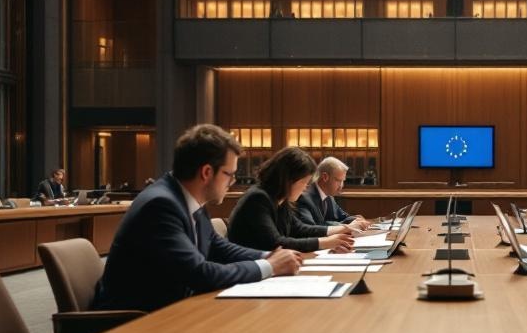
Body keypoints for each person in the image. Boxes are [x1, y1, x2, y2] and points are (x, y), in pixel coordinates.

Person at [92, 124, 303, 312]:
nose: (233, 181)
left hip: (173, 310)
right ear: (206, 172)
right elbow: (199, 273)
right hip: (132, 324)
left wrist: (268, 256)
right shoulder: (160, 205)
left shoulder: (188, 199)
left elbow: (217, 246)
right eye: (230, 174)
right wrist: (270, 266)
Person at [228, 147, 355, 253]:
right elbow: (275, 243)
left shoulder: (280, 199)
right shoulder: (257, 199)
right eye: (304, 182)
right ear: (288, 179)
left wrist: (340, 230)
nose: (306, 188)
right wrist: (324, 242)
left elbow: (299, 230)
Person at [296, 157, 371, 230]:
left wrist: (356, 220)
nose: (341, 186)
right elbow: (311, 228)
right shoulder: (305, 197)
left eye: (343, 181)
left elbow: (343, 217)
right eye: (338, 181)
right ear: (325, 177)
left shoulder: (329, 196)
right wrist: (343, 226)